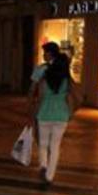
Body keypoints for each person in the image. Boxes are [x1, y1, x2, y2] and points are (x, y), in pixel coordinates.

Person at [28, 42, 73, 185]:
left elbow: (34, 92)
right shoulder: (65, 75)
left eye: (45, 52)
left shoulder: (42, 72)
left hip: (45, 113)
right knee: (55, 146)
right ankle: (49, 176)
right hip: (62, 114)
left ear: (50, 54)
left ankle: (43, 165)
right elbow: (69, 94)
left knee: (43, 143)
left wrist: (30, 107)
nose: (43, 55)